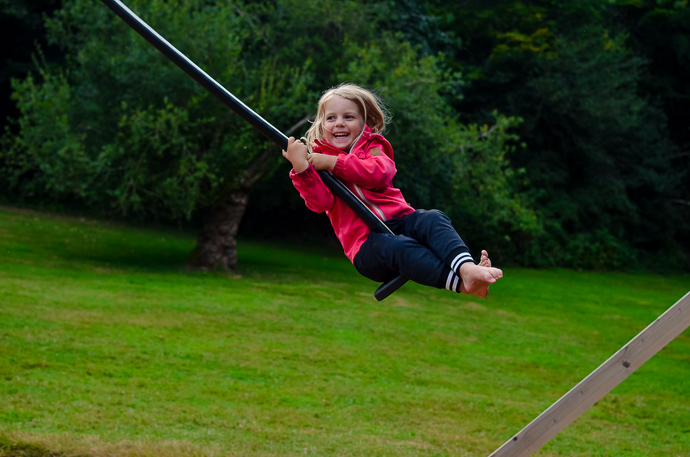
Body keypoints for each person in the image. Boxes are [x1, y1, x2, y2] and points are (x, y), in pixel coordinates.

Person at [282, 83, 502, 298]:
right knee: (397, 246)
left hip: (399, 223)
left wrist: (333, 162)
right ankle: (463, 285)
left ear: (365, 121)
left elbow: (377, 174)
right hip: (366, 247)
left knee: (433, 218)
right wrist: (301, 167)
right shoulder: (317, 164)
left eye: (348, 117)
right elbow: (320, 202)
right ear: (322, 125)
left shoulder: (373, 147)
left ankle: (467, 269)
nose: (339, 123)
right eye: (331, 118)